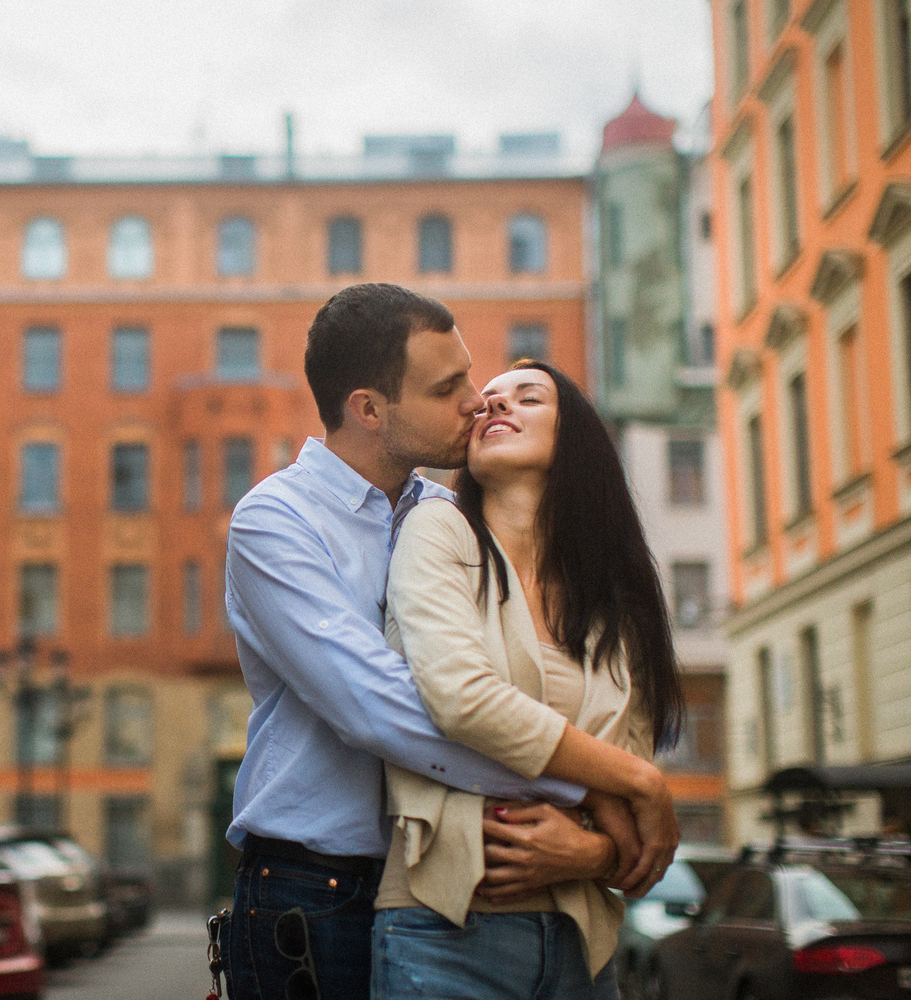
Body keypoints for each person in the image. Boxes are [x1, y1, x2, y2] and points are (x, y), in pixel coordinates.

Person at [221, 285, 661, 1000]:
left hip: (441, 884)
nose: (476, 402)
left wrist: (593, 838)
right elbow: (382, 708)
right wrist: (597, 784)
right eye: (449, 387)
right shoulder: (275, 521)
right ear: (369, 408)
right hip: (311, 885)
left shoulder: (450, 517)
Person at [372, 360, 684, 1000]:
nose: (494, 406)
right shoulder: (438, 530)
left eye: (528, 397)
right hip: (443, 931)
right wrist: (642, 783)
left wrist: (591, 854)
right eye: (485, 401)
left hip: (583, 943)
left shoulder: (612, 596)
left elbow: (638, 840)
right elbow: (463, 699)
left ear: (574, 441)